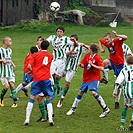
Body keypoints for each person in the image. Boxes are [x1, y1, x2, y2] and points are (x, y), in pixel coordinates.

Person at [66, 43, 110, 118]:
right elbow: (84, 65)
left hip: (94, 78)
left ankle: (105, 109)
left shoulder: (97, 57)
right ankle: (73, 108)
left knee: (93, 93)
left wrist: (93, 65)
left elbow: (102, 68)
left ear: (92, 49)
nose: (88, 49)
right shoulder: (87, 56)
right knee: (80, 92)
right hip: (86, 78)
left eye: (89, 48)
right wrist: (80, 65)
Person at [23, 40, 54, 126]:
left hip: (37, 79)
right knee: (48, 98)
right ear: (48, 47)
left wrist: (33, 72)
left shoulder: (35, 55)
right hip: (46, 78)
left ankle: (27, 119)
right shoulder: (51, 55)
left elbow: (29, 66)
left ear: (40, 47)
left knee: (32, 97)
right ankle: (50, 119)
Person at [57, 34, 89, 108]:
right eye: (71, 40)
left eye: (73, 40)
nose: (71, 41)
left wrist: (84, 45)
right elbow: (67, 54)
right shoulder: (67, 46)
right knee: (56, 77)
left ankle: (61, 99)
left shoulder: (80, 47)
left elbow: (91, 48)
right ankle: (58, 88)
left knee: (67, 84)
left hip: (72, 68)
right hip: (65, 66)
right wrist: (73, 48)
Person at [98, 30, 128, 109]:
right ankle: (106, 78)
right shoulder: (106, 43)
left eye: (107, 39)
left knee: (118, 83)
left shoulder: (117, 41)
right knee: (104, 62)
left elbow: (126, 37)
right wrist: (101, 49)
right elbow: (99, 40)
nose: (106, 41)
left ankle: (117, 101)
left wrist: (117, 35)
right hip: (112, 62)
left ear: (111, 38)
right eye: (105, 40)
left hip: (120, 64)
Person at [46, 26, 72, 97]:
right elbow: (46, 41)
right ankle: (56, 89)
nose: (59, 33)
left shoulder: (66, 39)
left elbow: (74, 44)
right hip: (54, 59)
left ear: (63, 33)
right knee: (51, 75)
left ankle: (56, 89)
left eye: (61, 32)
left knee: (57, 76)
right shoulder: (53, 37)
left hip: (62, 59)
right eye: (58, 31)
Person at [113, 55, 133, 130]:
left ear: (127, 62)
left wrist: (115, 91)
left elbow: (118, 82)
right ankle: (132, 121)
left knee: (125, 106)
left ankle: (122, 125)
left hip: (127, 92)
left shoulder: (124, 70)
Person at [0, 37, 18, 108]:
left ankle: (15, 102)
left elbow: (9, 59)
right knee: (6, 87)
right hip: (3, 72)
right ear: (5, 42)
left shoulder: (10, 50)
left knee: (12, 85)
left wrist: (13, 64)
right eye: (10, 41)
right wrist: (1, 60)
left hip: (10, 71)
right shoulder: (0, 50)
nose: (11, 42)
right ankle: (1, 98)